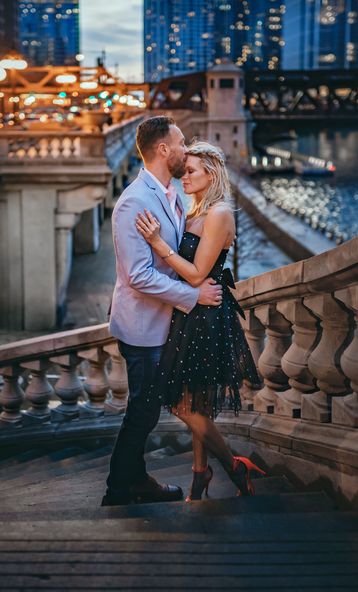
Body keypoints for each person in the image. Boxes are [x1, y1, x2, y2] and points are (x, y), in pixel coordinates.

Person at [102, 117, 224, 506]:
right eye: (182, 142)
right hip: (141, 326)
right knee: (142, 410)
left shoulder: (169, 193)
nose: (187, 149)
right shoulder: (134, 202)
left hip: (162, 323)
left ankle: (131, 481)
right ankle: (122, 486)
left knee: (147, 409)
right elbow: (138, 275)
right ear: (163, 150)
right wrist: (193, 296)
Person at [135, 140, 265, 502]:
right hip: (191, 311)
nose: (184, 176)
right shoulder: (195, 211)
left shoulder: (220, 212)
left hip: (205, 315)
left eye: (191, 171)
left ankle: (231, 464)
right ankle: (198, 473)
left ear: (212, 173)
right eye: (184, 170)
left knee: (183, 404)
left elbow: (195, 275)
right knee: (197, 401)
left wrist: (159, 244)